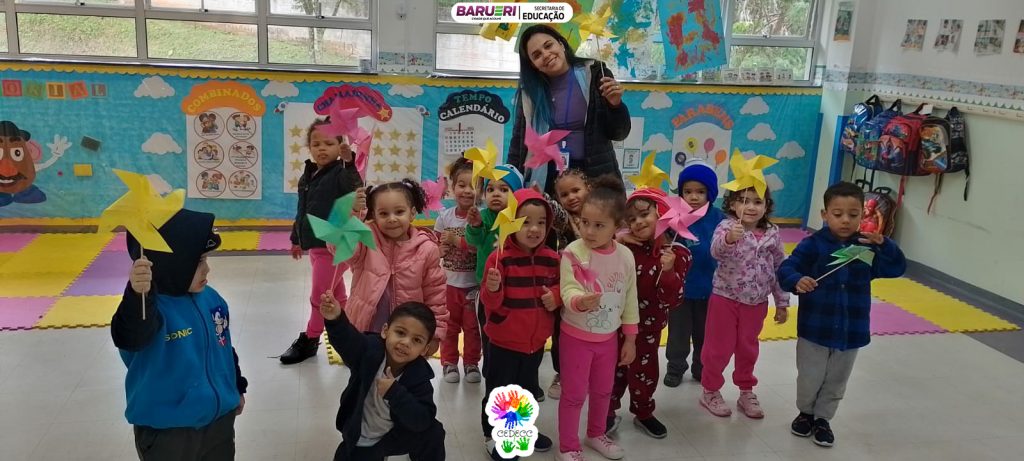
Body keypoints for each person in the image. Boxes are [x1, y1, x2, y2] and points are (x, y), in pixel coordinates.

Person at [777, 181, 906, 448]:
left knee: (837, 380)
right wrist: (797, 280)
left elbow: (896, 269)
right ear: (825, 214)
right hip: (815, 328)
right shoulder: (812, 245)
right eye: (838, 214)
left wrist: (886, 245)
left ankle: (823, 419)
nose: (845, 220)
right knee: (810, 376)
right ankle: (805, 413)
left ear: (862, 215)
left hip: (851, 330)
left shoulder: (867, 247)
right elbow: (787, 268)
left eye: (853, 214)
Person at [112, 209, 247, 460]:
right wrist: (137, 296)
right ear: (170, 263)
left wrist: (236, 385)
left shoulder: (212, 299)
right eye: (198, 261)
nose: (207, 269)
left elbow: (223, 347)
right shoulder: (148, 310)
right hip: (168, 432)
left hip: (218, 422)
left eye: (205, 259)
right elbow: (130, 336)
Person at [557, 176, 638, 461]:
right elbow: (567, 288)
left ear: (617, 226)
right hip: (575, 338)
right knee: (574, 395)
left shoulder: (626, 256)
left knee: (604, 391)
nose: (589, 231)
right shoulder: (573, 252)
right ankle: (568, 446)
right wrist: (579, 301)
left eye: (599, 225)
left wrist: (630, 339)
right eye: (585, 222)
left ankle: (595, 434)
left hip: (608, 340)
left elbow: (630, 298)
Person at [479, 188, 560, 460]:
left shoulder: (552, 259)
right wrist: (493, 288)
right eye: (525, 222)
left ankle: (520, 431)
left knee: (525, 391)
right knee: (500, 391)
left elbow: (561, 287)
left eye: (541, 222)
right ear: (511, 222)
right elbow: (489, 303)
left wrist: (556, 296)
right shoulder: (500, 258)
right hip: (503, 342)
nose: (534, 229)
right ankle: (493, 435)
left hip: (535, 343)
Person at [506, 24, 631, 195]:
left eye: (548, 45)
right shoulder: (529, 93)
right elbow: (519, 142)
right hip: (548, 179)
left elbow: (619, 133)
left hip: (594, 176)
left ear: (561, 44)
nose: (546, 54)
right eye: (537, 55)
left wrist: (615, 105)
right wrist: (508, 181)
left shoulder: (595, 73)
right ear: (533, 65)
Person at [607, 188, 692, 439]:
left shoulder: (677, 253)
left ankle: (643, 412)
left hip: (648, 327)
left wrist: (668, 271)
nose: (637, 222)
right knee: (612, 370)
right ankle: (607, 411)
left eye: (644, 215)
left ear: (661, 213)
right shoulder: (623, 246)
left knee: (644, 372)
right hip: (615, 323)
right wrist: (616, 240)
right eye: (631, 219)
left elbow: (673, 300)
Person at [281, 118, 365, 364]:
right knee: (336, 294)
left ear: (339, 147)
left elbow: (354, 185)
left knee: (320, 296)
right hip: (315, 246)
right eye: (316, 144)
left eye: (329, 144)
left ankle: (311, 338)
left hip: (335, 245)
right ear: (309, 147)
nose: (322, 149)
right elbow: (302, 210)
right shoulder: (308, 175)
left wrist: (349, 163)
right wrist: (296, 238)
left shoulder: (341, 173)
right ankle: (350, 336)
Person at [700, 187, 789, 419]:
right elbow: (715, 252)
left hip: (757, 302)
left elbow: (780, 267)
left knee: (748, 349)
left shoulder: (772, 232)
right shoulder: (726, 227)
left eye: (757, 202)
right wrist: (730, 239)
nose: (751, 207)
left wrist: (782, 301)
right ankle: (710, 390)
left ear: (766, 206)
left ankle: (746, 390)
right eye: (743, 201)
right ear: (732, 205)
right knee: (718, 349)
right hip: (725, 299)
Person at [321, 296, 446, 461]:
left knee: (433, 432)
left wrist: (395, 393)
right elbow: (348, 341)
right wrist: (336, 320)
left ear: (425, 349)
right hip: (363, 438)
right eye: (400, 332)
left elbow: (422, 419)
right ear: (385, 331)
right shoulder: (369, 350)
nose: (406, 342)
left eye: (416, 340)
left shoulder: (419, 376)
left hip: (393, 436)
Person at [342, 180, 447, 352]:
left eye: (399, 212)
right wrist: (352, 215)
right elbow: (341, 248)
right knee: (365, 367)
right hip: (366, 328)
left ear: (412, 213)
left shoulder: (427, 249)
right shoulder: (366, 238)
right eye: (383, 214)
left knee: (402, 368)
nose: (392, 219)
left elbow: (436, 295)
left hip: (407, 335)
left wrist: (435, 334)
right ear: (373, 215)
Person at [665, 159, 726, 387]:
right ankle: (675, 367)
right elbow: (664, 242)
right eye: (687, 191)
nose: (693, 196)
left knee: (705, 334)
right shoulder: (674, 217)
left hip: (710, 288)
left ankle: (701, 367)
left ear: (710, 193)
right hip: (680, 288)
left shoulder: (720, 219)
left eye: (700, 192)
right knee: (678, 333)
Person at [465, 165, 524, 379]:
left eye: (504, 189)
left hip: (515, 286)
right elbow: (474, 242)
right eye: (490, 189)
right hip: (487, 286)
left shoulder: (519, 218)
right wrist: (475, 226)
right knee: (488, 329)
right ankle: (490, 370)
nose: (496, 194)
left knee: (513, 330)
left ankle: (517, 370)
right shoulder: (484, 216)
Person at [545, 168, 591, 400]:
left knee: (590, 329)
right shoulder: (564, 220)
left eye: (576, 190)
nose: (571, 197)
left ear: (588, 189)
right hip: (568, 283)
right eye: (564, 194)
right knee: (561, 330)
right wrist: (542, 197)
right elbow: (554, 211)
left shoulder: (599, 213)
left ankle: (589, 371)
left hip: (595, 284)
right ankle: (562, 372)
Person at [434, 157, 482, 384]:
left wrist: (456, 240)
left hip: (473, 285)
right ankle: (449, 363)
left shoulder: (481, 218)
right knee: (450, 327)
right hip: (449, 285)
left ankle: (472, 363)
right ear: (452, 188)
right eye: (462, 185)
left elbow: (479, 247)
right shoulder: (444, 217)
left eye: (473, 185)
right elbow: (434, 247)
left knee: (473, 328)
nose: (467, 190)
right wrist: (440, 249)